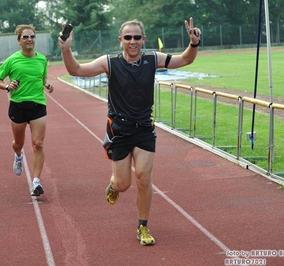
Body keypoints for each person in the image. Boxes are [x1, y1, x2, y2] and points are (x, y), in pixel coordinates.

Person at [58, 18, 201, 245]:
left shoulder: (152, 59)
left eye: (137, 37)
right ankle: (114, 184)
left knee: (144, 177)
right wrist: (66, 49)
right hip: (119, 130)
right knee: (124, 184)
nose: (132, 41)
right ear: (120, 40)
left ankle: (142, 226)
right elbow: (76, 70)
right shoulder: (110, 62)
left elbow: (185, 60)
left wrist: (193, 43)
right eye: (128, 37)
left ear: (143, 39)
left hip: (144, 128)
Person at [0, 24, 54, 197]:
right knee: (18, 143)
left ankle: (36, 181)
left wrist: (47, 84)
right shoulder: (12, 60)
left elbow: (43, 78)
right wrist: (7, 86)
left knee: (38, 144)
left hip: (38, 105)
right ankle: (18, 155)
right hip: (18, 106)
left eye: (32, 36)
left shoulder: (42, 59)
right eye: (26, 37)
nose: (29, 39)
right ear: (19, 41)